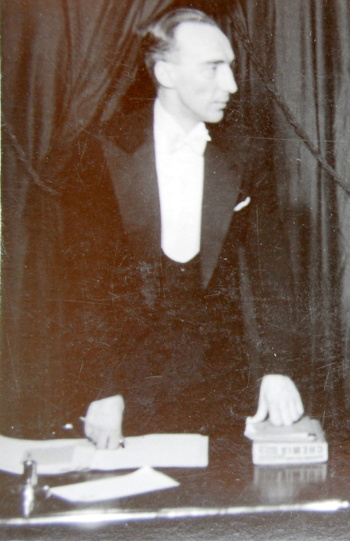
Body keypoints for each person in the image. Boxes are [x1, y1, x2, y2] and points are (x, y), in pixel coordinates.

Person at [60, 8, 304, 450]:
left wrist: (276, 368)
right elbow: (80, 283)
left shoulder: (245, 154)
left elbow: (271, 270)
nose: (231, 84)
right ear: (166, 73)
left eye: (230, 67)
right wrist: (101, 388)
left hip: (220, 390)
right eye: (213, 68)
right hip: (123, 395)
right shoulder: (100, 151)